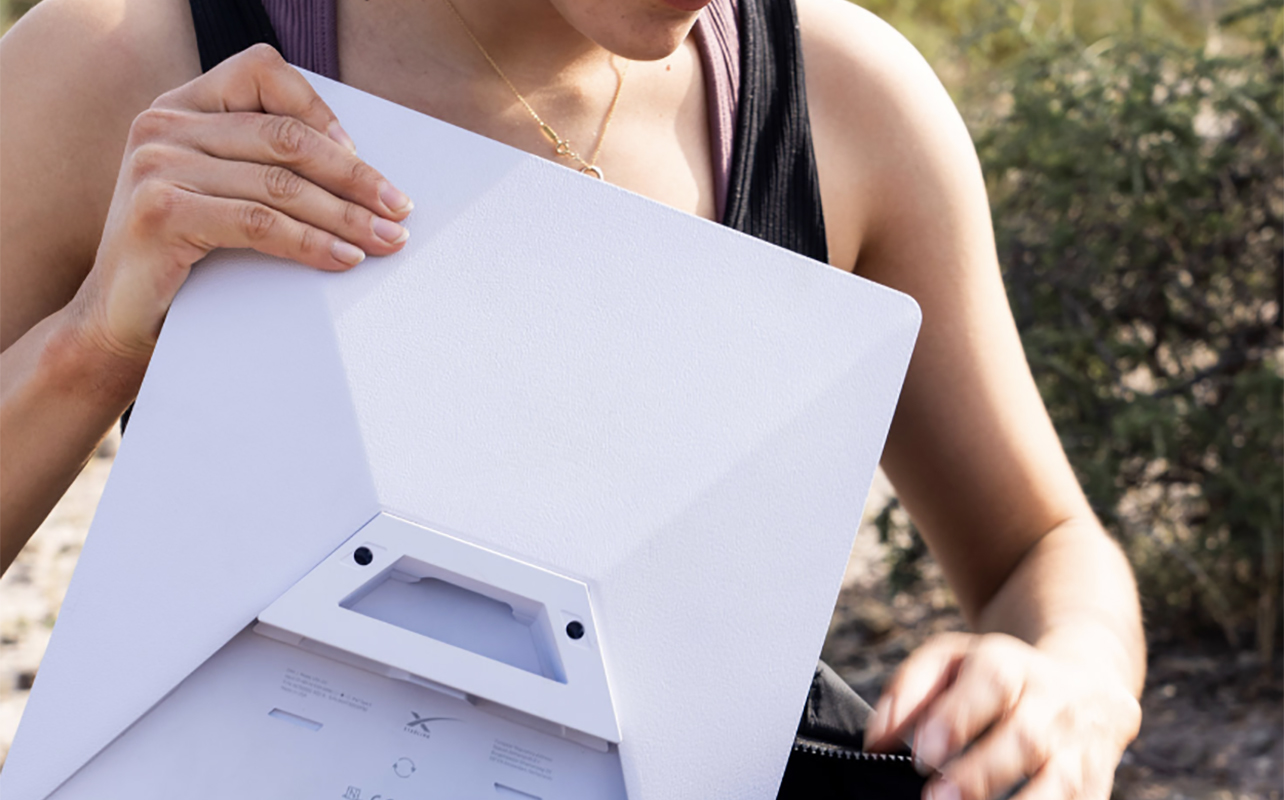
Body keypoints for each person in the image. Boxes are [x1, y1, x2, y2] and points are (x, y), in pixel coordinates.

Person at [0, 0, 1145, 797]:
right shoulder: (115, 64)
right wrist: (88, 345)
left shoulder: (847, 106)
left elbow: (1044, 547)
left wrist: (1075, 679)